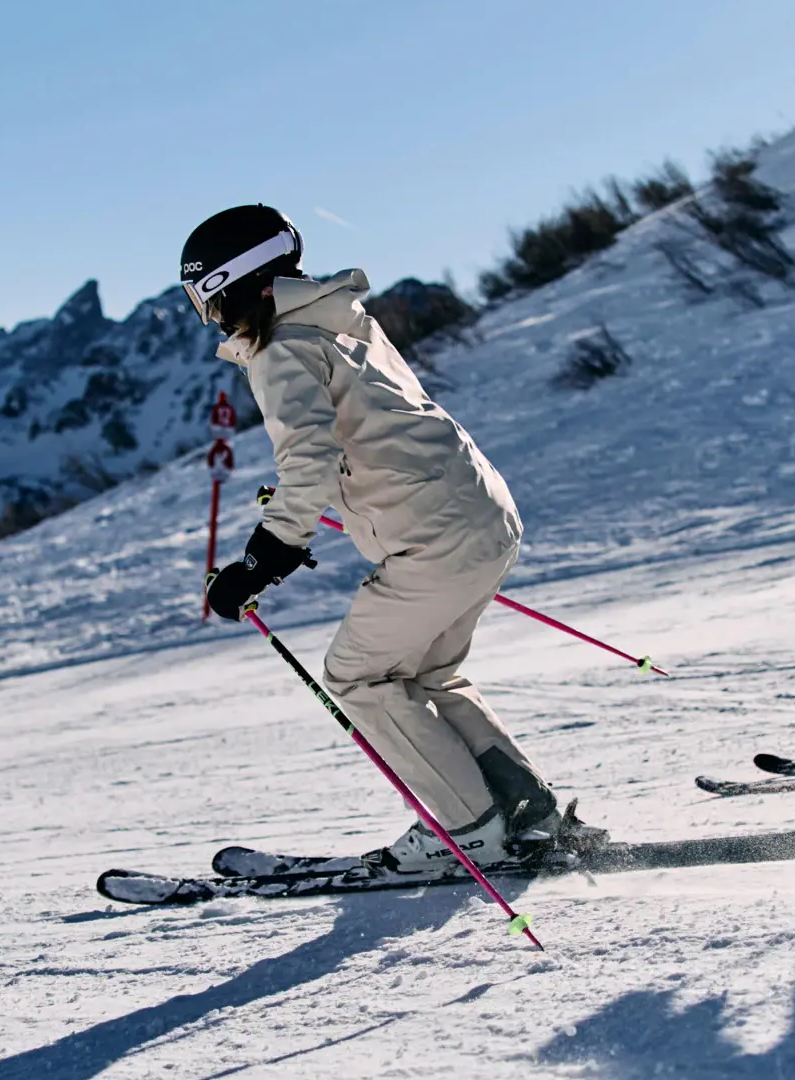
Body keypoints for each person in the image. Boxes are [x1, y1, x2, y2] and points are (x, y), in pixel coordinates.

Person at [182, 204, 565, 869]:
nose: (213, 316)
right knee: (428, 673)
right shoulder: (342, 318)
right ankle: (529, 815)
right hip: (482, 513)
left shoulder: (280, 346)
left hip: (432, 540)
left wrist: (257, 564)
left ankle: (468, 831)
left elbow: (308, 457)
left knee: (356, 676)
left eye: (208, 297)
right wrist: (322, 494)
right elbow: (375, 430)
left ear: (236, 283)